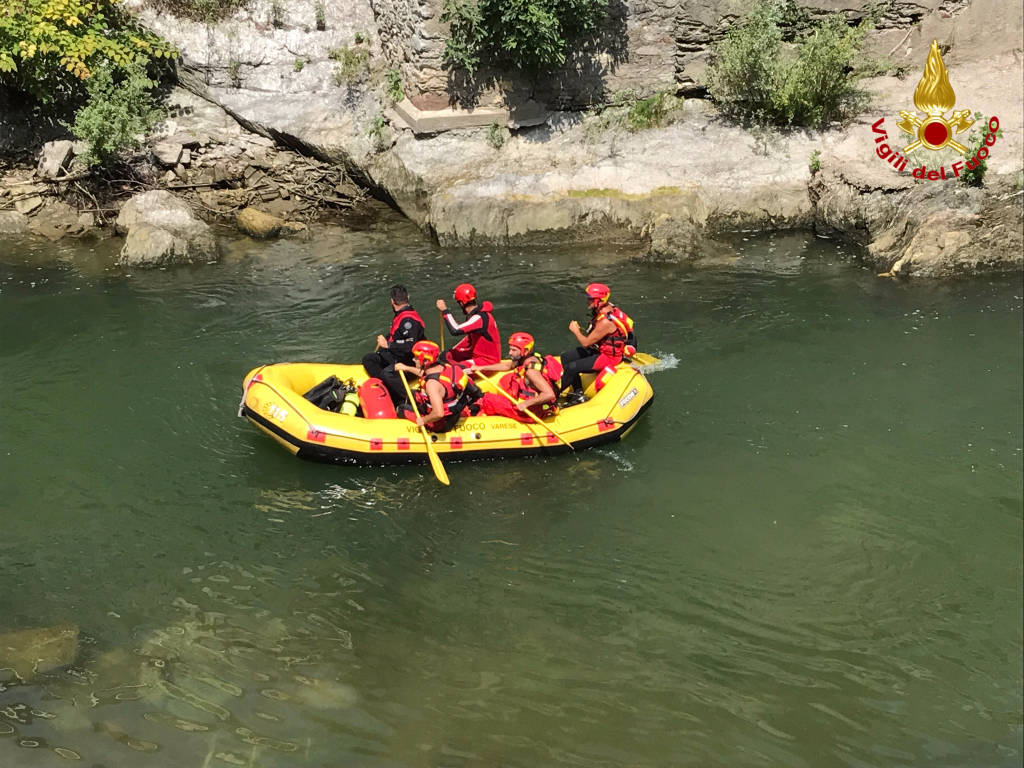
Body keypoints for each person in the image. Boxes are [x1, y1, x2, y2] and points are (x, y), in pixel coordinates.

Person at [559, 282, 636, 401]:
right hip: (599, 349)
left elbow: (585, 343)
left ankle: (554, 395)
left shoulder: (606, 322)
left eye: (590, 299)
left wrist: (576, 331)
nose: (587, 301)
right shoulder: (609, 307)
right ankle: (578, 393)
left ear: (598, 301)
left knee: (570, 367)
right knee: (565, 357)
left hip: (609, 357)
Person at [467, 332, 563, 422]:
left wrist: (526, 404)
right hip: (525, 399)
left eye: (514, 350)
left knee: (487, 400)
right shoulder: (524, 358)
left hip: (530, 412)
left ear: (525, 351)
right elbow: (508, 366)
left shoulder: (531, 372)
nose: (510, 353)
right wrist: (481, 367)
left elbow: (549, 394)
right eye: (510, 349)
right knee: (507, 382)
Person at [395, 340, 482, 432]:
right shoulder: (446, 367)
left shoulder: (432, 385)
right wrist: (407, 368)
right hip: (453, 414)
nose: (413, 359)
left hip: (440, 423)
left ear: (425, 361)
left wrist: (424, 420)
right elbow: (425, 374)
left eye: (416, 357)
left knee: (401, 409)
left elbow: (438, 413)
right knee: (413, 393)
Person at [362, 284, 426, 405]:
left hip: (410, 361)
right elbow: (397, 337)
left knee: (388, 373)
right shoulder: (400, 315)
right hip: (397, 356)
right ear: (408, 297)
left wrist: (389, 345)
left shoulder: (409, 321)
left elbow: (411, 345)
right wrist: (387, 341)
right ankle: (387, 389)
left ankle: (407, 399)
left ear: (392, 301)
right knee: (369, 359)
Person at [436, 283, 502, 367]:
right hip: (476, 355)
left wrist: (445, 311)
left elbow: (455, 330)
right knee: (445, 356)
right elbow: (469, 339)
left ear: (461, 303)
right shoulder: (474, 315)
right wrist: (453, 350)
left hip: (487, 362)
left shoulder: (480, 318)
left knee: (455, 368)